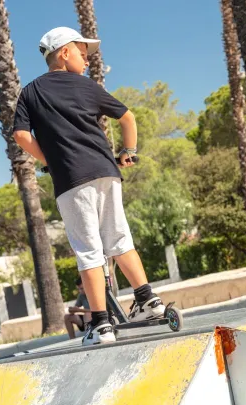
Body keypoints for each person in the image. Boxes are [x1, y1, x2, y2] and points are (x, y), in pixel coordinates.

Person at [13, 27, 165, 346]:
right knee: (119, 237)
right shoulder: (87, 87)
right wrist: (129, 152)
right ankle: (148, 300)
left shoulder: (30, 92)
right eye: (83, 54)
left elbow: (21, 136)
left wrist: (49, 160)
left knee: (88, 249)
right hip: (106, 171)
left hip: (72, 178)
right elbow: (128, 118)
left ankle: (100, 324)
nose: (87, 61)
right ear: (64, 52)